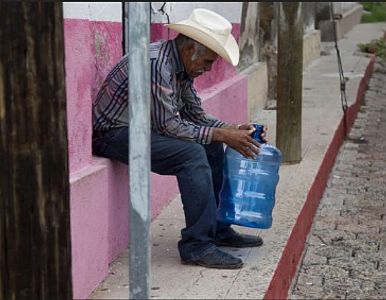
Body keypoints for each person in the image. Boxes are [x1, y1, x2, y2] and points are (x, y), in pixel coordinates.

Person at [92, 8, 267, 269]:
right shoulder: (156, 64)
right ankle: (197, 246)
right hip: (111, 134)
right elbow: (169, 126)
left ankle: (218, 229)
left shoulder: (181, 67)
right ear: (188, 50)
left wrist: (232, 129)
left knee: (211, 144)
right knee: (193, 153)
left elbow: (197, 116)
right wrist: (222, 133)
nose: (208, 69)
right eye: (207, 62)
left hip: (139, 128)